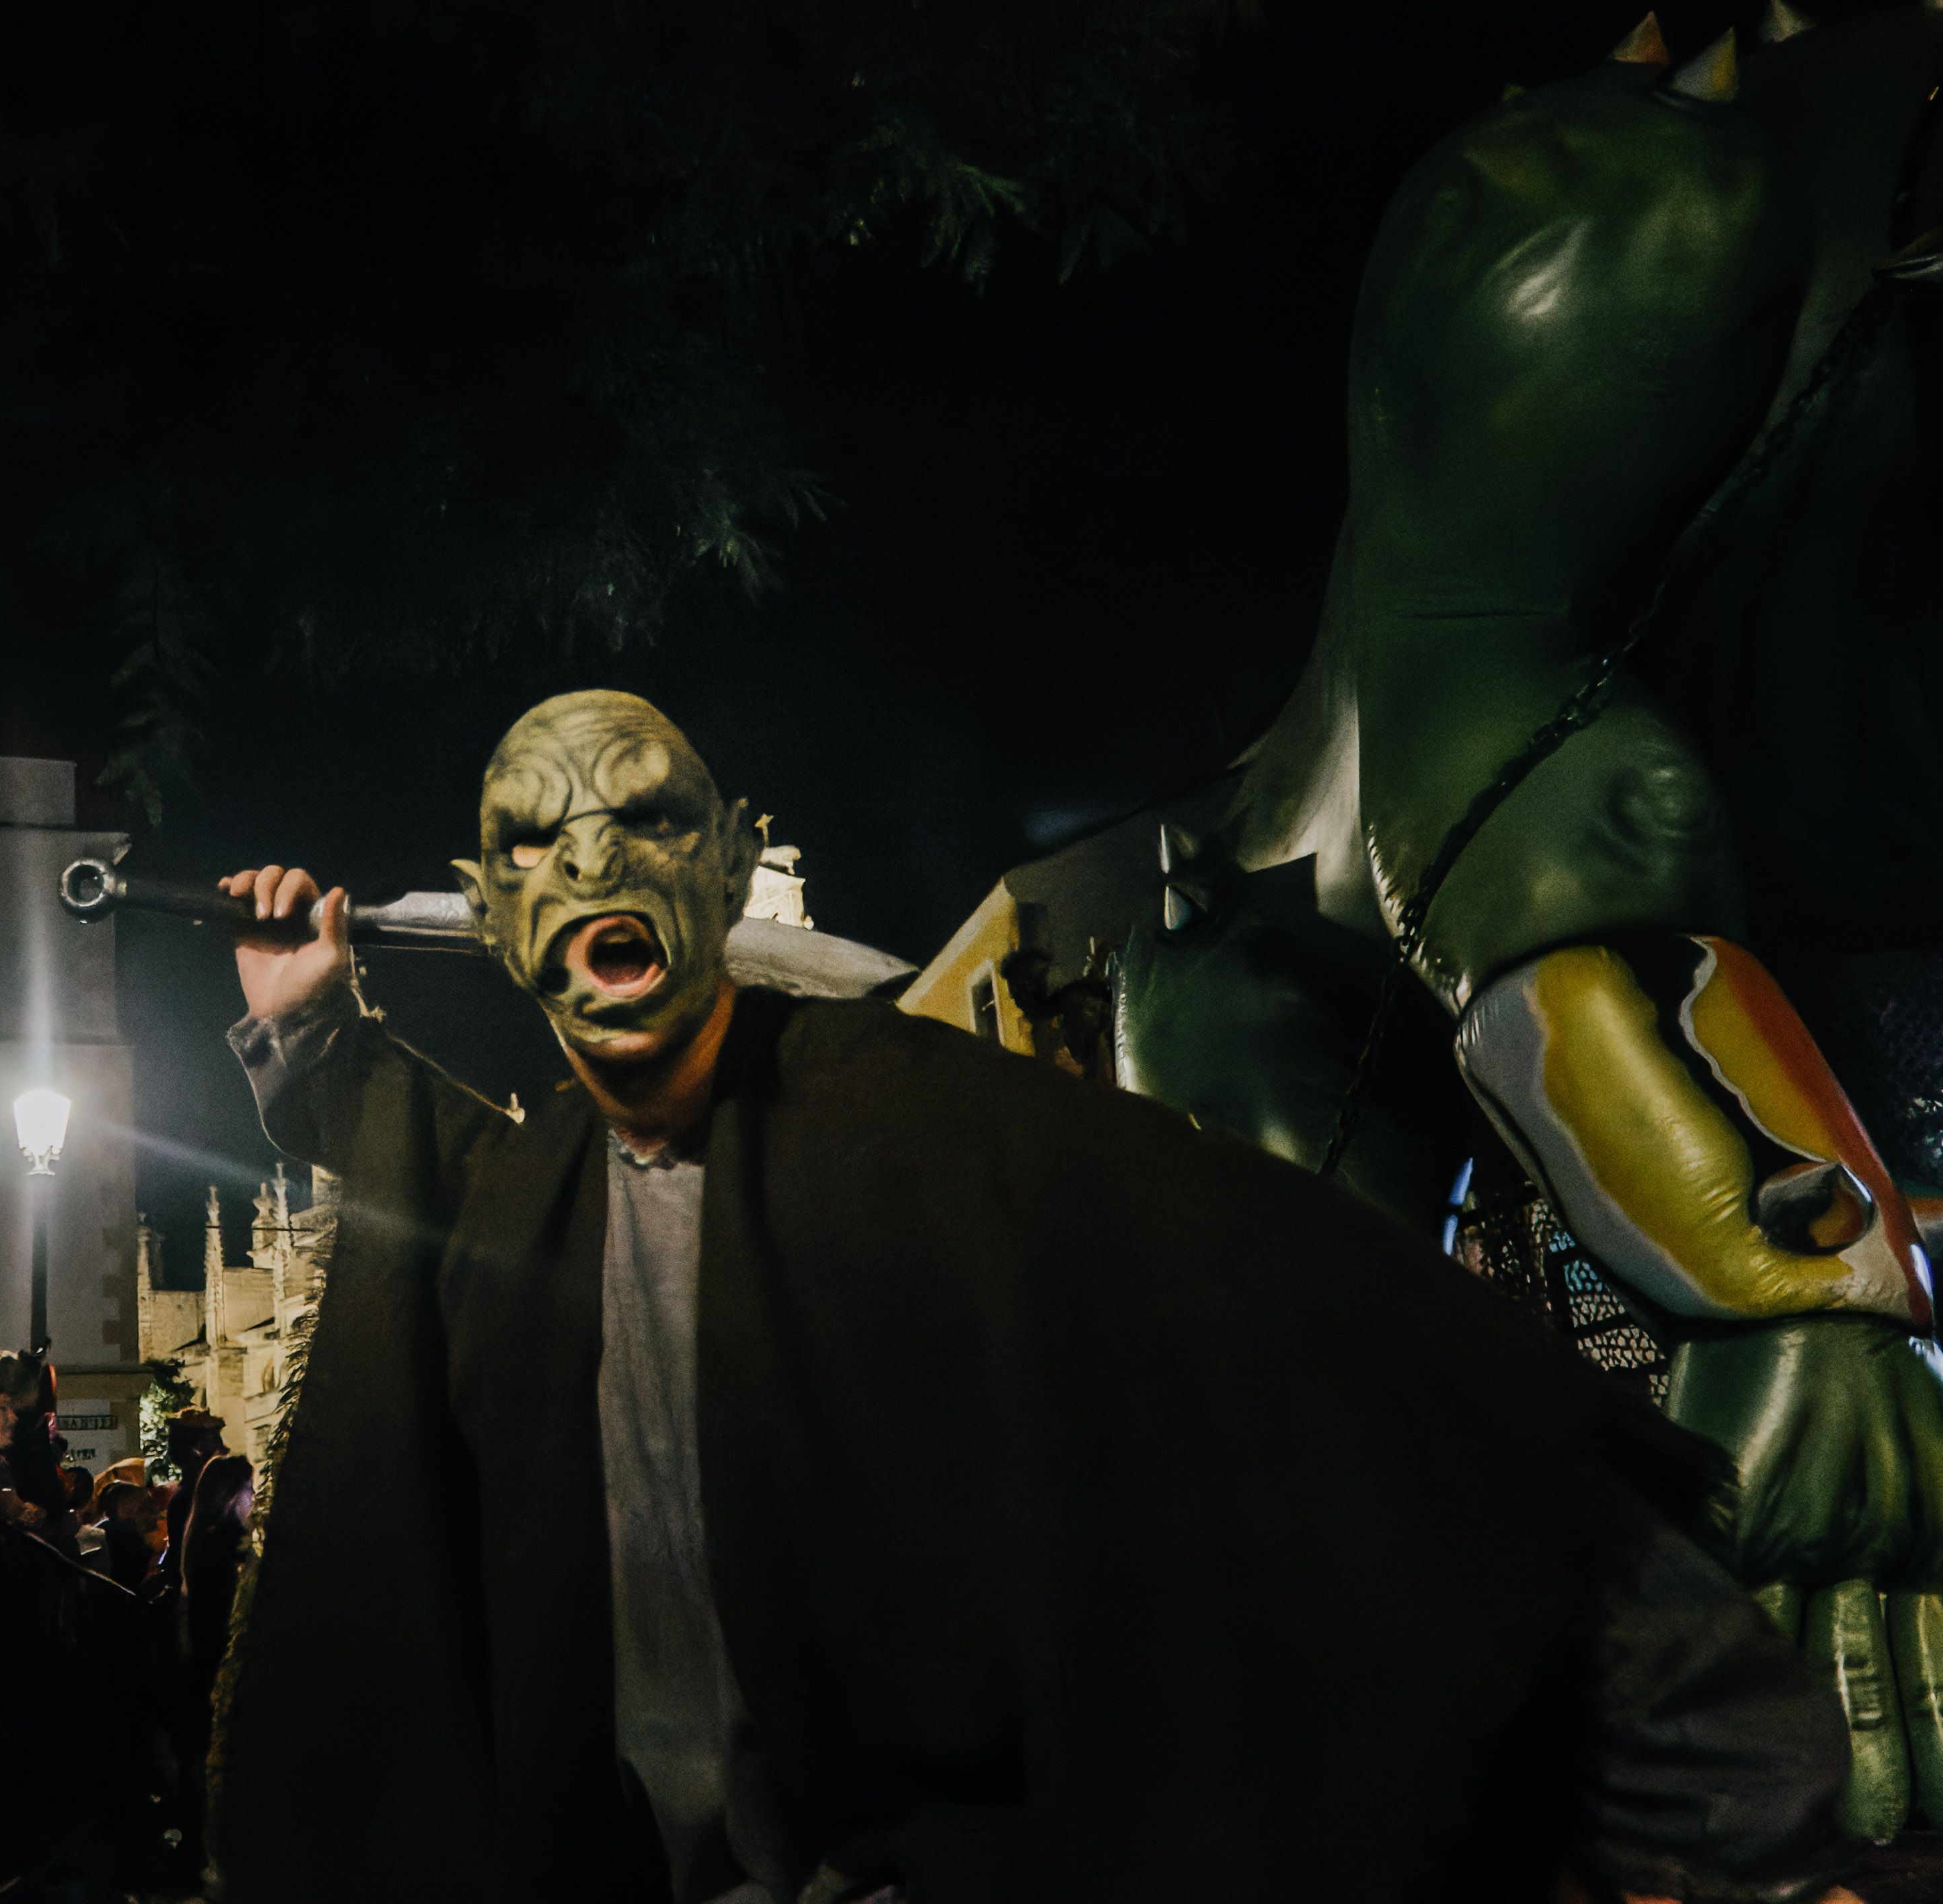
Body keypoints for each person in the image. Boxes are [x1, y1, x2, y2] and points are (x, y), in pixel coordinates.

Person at [206, 691, 1856, 1903]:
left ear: (729, 860)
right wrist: (312, 1024)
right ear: (495, 912)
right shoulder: (533, 1204)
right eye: (533, 839)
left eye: (647, 816)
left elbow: (1351, 1345)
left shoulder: (933, 1132)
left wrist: (1735, 1801)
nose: (591, 858)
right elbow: (442, 1181)